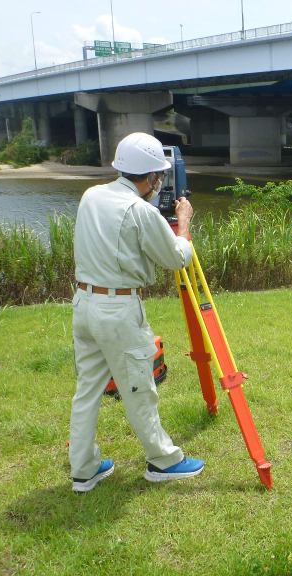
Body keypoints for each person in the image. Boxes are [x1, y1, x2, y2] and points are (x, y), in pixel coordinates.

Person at [69, 132, 204, 492]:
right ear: (151, 177)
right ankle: (164, 461)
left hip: (84, 303)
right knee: (139, 387)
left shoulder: (91, 196)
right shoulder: (140, 211)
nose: (160, 182)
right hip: (117, 310)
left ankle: (84, 468)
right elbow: (176, 258)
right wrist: (184, 223)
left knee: (87, 390)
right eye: (159, 175)